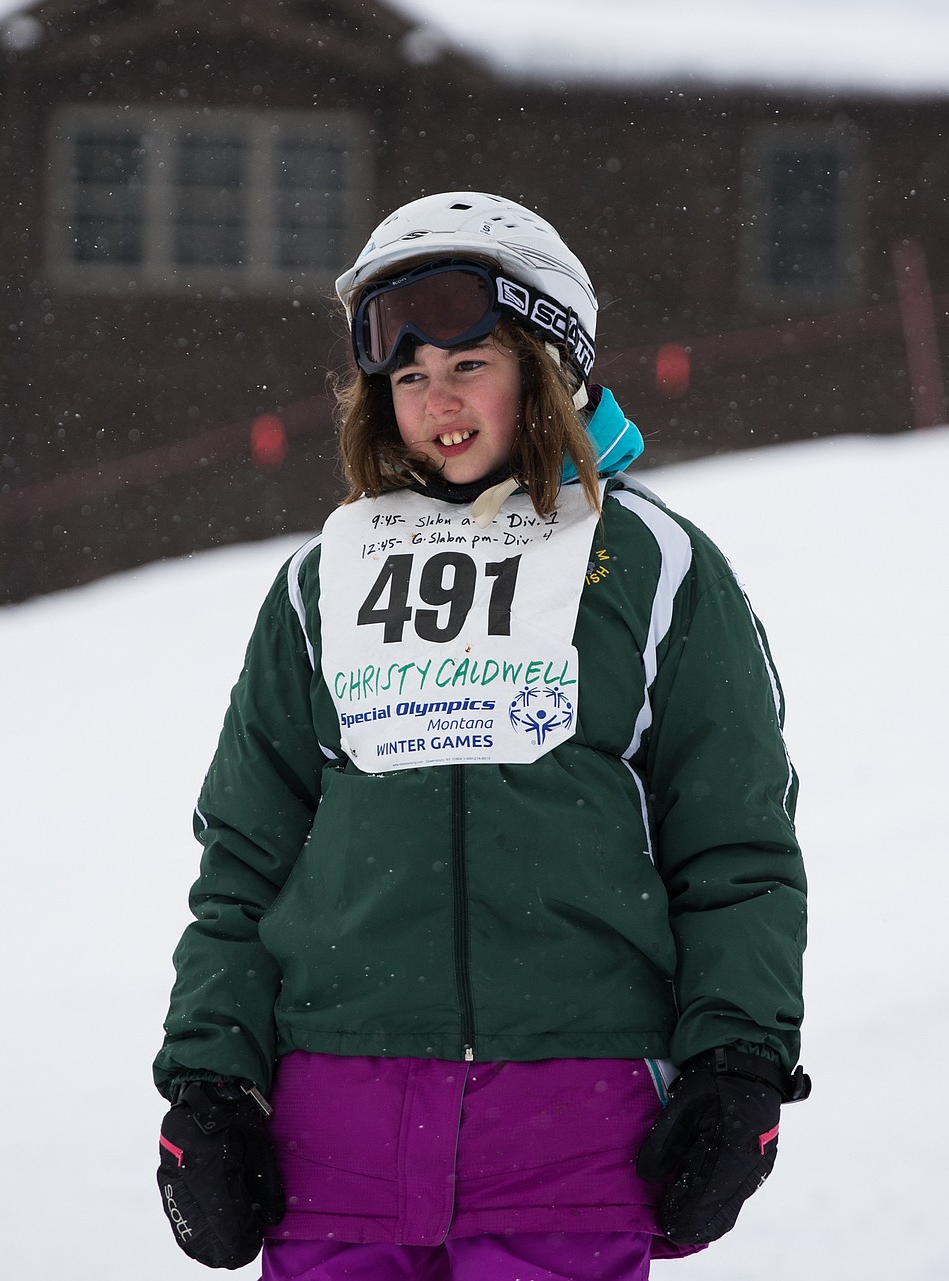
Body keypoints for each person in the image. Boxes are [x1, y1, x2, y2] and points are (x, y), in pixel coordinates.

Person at [154, 191, 810, 1281]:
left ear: (552, 366)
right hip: (337, 1143)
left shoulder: (655, 568)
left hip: (568, 1130)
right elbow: (243, 861)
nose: (436, 401)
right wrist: (212, 1086)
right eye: (407, 376)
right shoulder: (327, 581)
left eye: (471, 365)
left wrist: (737, 1063)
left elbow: (734, 852)